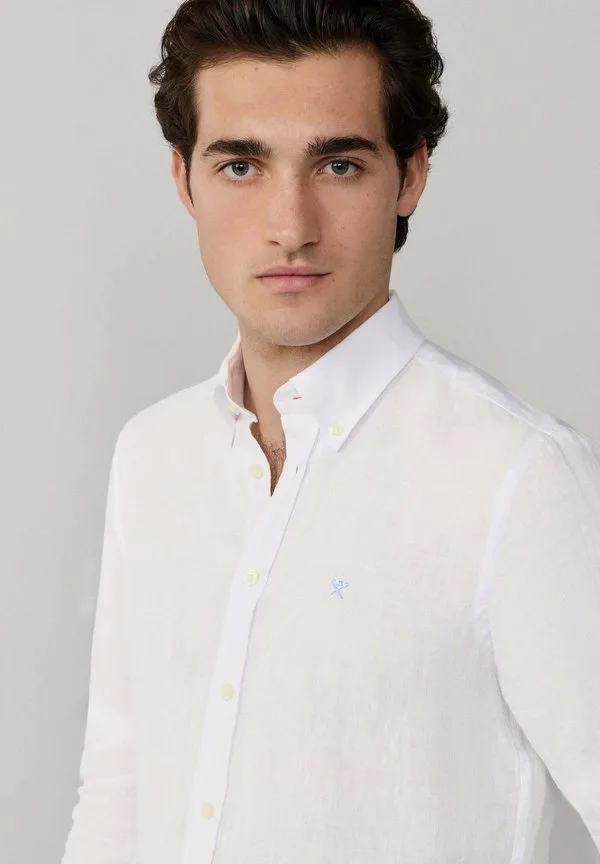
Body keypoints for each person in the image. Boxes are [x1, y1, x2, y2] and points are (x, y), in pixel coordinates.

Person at [61, 1, 600, 862]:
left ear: (410, 176)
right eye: (241, 165)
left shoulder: (517, 476)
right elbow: (118, 792)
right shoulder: (154, 455)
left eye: (339, 165)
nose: (291, 225)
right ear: (184, 180)